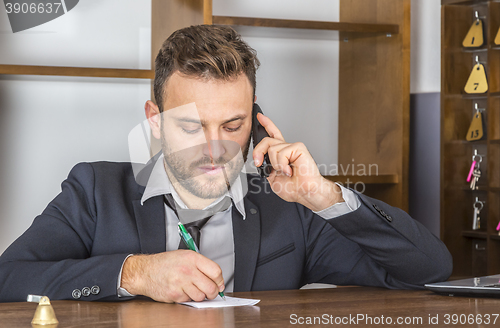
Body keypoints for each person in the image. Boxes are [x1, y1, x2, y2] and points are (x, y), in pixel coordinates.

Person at [0, 25, 452, 303]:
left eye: (233, 125)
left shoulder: (289, 210)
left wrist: (324, 195)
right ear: (155, 121)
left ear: (256, 122)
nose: (215, 148)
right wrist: (135, 273)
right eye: (192, 127)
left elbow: (428, 269)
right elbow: (8, 279)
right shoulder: (95, 192)